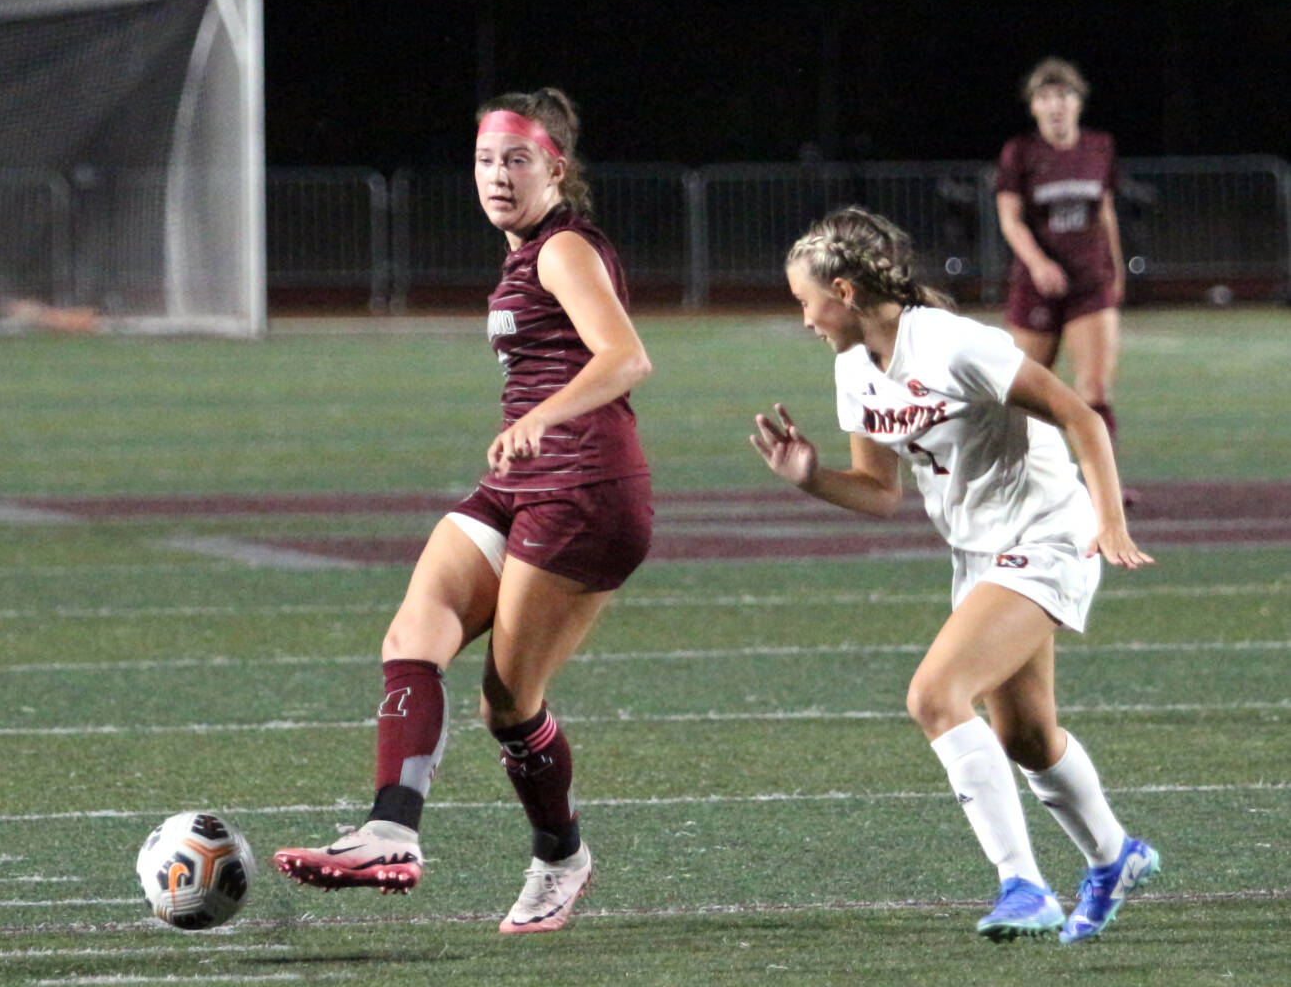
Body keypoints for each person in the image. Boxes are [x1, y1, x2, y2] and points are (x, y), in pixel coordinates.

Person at [273, 87, 653, 935]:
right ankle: (389, 831)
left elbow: (626, 356)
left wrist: (539, 419)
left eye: (516, 158)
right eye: (485, 159)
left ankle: (562, 856)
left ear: (555, 165)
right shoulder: (523, 250)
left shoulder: (562, 248)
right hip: (524, 481)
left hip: (586, 491)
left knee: (508, 707)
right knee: (415, 633)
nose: (496, 175)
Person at [750, 206, 1160, 944]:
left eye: (803, 301)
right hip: (978, 554)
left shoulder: (953, 345)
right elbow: (879, 493)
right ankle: (1114, 855)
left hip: (1047, 535)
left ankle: (1023, 885)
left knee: (935, 695)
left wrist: (1110, 520)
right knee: (1028, 738)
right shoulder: (853, 370)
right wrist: (811, 477)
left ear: (842, 291)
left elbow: (1082, 417)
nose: (802, 318)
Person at [995, 57, 1129, 497]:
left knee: (1093, 389)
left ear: (1078, 102)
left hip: (1089, 284)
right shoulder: (1021, 153)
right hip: (1037, 288)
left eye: (1064, 96)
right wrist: (1037, 263)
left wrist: (1116, 264)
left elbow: (1105, 210)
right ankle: (1019, 483)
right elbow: (1010, 218)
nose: (1056, 105)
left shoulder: (1099, 147)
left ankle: (1102, 489)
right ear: (1033, 106)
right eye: (1046, 97)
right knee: (1024, 394)